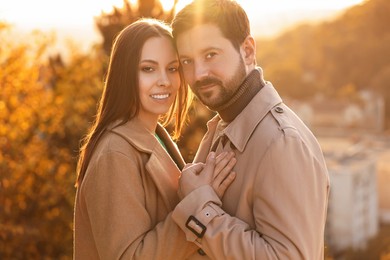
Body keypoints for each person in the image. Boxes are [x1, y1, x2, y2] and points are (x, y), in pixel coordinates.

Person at [170, 0, 331, 259]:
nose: (198, 74)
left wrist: (200, 207)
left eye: (210, 54)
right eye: (187, 60)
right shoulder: (223, 126)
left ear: (247, 51)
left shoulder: (281, 142)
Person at [73, 18, 237, 259]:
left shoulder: (155, 135)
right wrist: (198, 204)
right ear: (124, 75)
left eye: (172, 68)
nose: (164, 80)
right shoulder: (115, 153)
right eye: (148, 69)